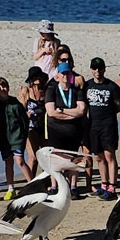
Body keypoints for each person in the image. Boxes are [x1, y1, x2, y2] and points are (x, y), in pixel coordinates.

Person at [44, 61, 87, 198]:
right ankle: (55, 186)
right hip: (55, 130)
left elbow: (81, 110)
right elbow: (51, 112)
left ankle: (73, 186)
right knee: (56, 158)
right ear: (58, 75)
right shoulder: (52, 90)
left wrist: (62, 111)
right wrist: (70, 114)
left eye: (68, 73)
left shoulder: (76, 90)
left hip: (73, 131)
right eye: (63, 74)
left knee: (73, 158)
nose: (66, 76)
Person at [0, 78, 33, 200]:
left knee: (20, 161)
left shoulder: (15, 104)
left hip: (17, 138)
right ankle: (11, 188)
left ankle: (33, 185)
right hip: (3, 140)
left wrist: (23, 137)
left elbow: (24, 121)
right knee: (8, 162)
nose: (3, 89)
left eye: (4, 86)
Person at [84, 58, 120, 200]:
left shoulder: (111, 86)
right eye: (95, 69)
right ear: (91, 69)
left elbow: (119, 105)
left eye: (100, 69)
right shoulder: (88, 86)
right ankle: (104, 184)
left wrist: (109, 113)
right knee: (99, 157)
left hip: (108, 125)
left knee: (109, 155)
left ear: (104, 69)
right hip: (93, 125)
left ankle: (112, 186)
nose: (97, 71)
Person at [17, 66, 48, 177]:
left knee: (45, 156)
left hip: (44, 127)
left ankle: (47, 181)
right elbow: (20, 111)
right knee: (33, 157)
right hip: (30, 127)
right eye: (35, 76)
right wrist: (28, 115)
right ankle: (31, 183)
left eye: (39, 76)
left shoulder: (45, 90)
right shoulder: (26, 91)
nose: (37, 78)